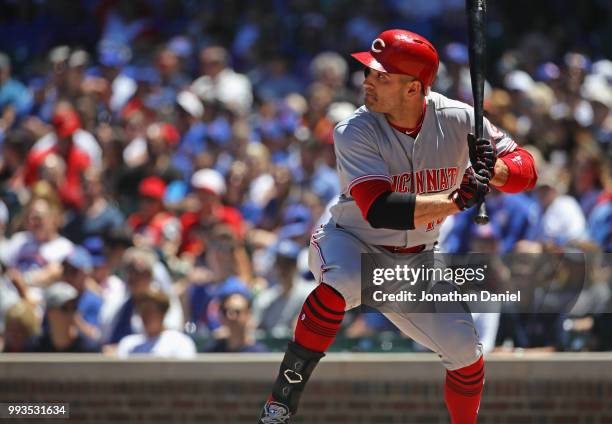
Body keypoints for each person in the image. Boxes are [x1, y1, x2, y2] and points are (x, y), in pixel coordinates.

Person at [258, 29, 538, 423]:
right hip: (351, 240)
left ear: (413, 89)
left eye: (381, 76)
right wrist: (457, 200)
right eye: (369, 72)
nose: (367, 81)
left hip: (417, 261)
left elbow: (528, 173)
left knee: (466, 352)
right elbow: (381, 209)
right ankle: (281, 402)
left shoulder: (458, 118)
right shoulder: (354, 129)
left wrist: (496, 168)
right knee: (341, 284)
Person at [116, 288, 196, 358]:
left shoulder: (180, 342)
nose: (146, 316)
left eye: (151, 311)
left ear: (163, 313)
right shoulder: (127, 344)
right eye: (142, 311)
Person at [28, 281, 100, 353]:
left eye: (74, 307)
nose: (71, 313)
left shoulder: (88, 349)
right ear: (50, 312)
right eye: (65, 308)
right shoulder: (35, 347)